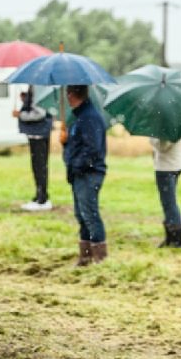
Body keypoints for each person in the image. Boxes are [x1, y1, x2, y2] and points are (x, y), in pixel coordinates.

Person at [63, 84, 107, 265]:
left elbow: (92, 149)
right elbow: (78, 146)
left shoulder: (89, 118)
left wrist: (78, 166)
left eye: (67, 93)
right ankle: (86, 256)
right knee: (81, 215)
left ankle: (100, 258)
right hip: (79, 173)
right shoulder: (79, 117)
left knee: (90, 214)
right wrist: (65, 142)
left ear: (72, 94)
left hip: (89, 173)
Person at [12, 87, 53, 211]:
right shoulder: (37, 87)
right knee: (39, 165)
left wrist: (21, 114)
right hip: (39, 132)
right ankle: (40, 195)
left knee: (39, 166)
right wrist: (26, 100)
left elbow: (40, 113)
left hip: (38, 133)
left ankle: (42, 199)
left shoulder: (38, 87)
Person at [151, 137, 181, 248]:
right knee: (169, 203)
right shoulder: (178, 122)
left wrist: (152, 139)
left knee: (169, 204)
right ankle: (170, 238)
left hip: (166, 168)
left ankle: (176, 240)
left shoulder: (166, 126)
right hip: (176, 165)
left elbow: (162, 147)